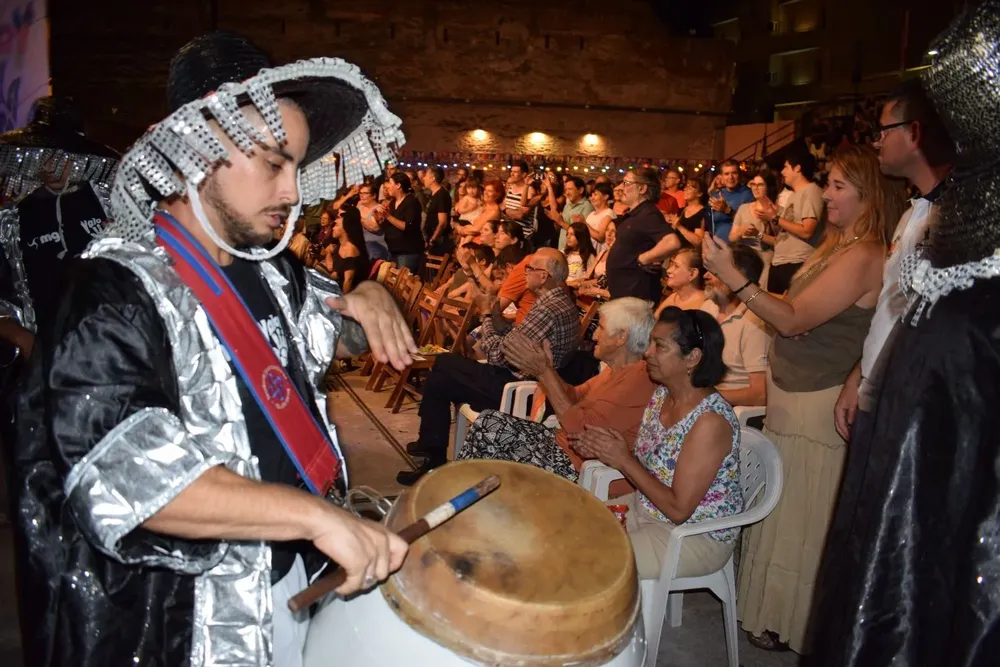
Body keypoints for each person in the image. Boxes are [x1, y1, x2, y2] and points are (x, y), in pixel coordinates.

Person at [11, 32, 416, 667]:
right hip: (184, 621)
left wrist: (370, 296)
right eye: (274, 163)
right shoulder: (113, 294)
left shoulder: (272, 270)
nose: (291, 193)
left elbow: (336, 330)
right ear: (193, 152)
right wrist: (315, 518)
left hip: (290, 578)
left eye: (297, 168)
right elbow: (126, 479)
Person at [811, 4, 1000, 664]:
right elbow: (903, 318)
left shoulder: (972, 261)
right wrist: (865, 374)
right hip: (890, 406)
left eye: (885, 128)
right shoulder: (937, 227)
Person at [703, 144, 905, 653]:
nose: (826, 195)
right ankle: (772, 614)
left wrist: (736, 280)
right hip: (794, 393)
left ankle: (795, 625)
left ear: (869, 193)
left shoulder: (863, 254)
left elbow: (791, 317)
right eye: (829, 182)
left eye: (838, 186)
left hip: (819, 401)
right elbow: (794, 312)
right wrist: (787, 319)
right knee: (782, 515)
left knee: (802, 523)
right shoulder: (838, 244)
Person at [570, 306, 741, 580]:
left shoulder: (709, 422)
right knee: (567, 528)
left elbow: (678, 510)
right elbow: (651, 467)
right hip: (647, 508)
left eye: (659, 346)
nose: (648, 353)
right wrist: (608, 451)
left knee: (588, 558)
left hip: (693, 536)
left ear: (692, 358)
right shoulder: (662, 396)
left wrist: (623, 460)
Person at [832, 78, 954, 441]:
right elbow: (895, 309)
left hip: (913, 405)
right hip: (879, 390)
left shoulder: (957, 221)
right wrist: (860, 373)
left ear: (915, 133)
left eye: (884, 130)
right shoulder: (913, 213)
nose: (877, 140)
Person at [399, 248, 579, 485]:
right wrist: (495, 314)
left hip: (517, 387)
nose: (524, 272)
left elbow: (497, 354)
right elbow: (517, 337)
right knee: (443, 372)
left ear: (543, 276)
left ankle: (432, 453)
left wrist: (485, 316)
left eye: (529, 268)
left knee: (443, 367)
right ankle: (430, 447)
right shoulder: (559, 302)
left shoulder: (547, 309)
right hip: (526, 380)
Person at [458, 297, 657, 480]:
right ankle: (466, 495)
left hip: (577, 465)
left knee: (490, 432)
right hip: (560, 445)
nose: (595, 335)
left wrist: (544, 372)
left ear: (621, 337)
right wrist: (547, 370)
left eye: (601, 328)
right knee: (488, 419)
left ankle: (464, 497)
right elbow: (573, 396)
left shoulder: (638, 379)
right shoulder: (615, 370)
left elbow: (581, 430)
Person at [0, 97, 118, 378]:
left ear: (80, 154)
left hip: (111, 355)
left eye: (62, 153)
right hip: (45, 368)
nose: (52, 163)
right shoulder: (14, 219)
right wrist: (23, 339)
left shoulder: (113, 204)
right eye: (44, 152)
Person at [701, 245, 769, 408]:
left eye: (714, 271)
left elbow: (760, 395)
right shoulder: (707, 308)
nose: (705, 276)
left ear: (738, 277)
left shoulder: (754, 322)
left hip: (731, 413)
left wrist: (705, 399)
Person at [607, 168, 679, 302]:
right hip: (625, 293)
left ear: (642, 189)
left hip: (635, 295)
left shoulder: (648, 213)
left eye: (626, 183)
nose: (621, 188)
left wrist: (643, 259)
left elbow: (672, 242)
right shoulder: (637, 214)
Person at [762, 149, 826, 294]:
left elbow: (807, 231)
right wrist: (774, 214)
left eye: (785, 167)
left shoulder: (811, 191)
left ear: (797, 168)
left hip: (797, 263)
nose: (782, 172)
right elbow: (783, 234)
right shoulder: (793, 196)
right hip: (779, 262)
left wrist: (776, 218)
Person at [377, 171, 424, 273]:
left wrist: (388, 216)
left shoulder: (411, 202)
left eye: (390, 183)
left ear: (398, 185)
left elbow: (407, 226)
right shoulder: (393, 203)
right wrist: (379, 218)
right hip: (392, 250)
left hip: (407, 252)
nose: (387, 187)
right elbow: (388, 226)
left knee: (402, 285)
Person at [325, 206, 371, 293]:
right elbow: (335, 273)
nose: (333, 228)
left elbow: (348, 282)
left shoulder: (351, 250)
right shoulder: (341, 245)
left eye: (337, 225)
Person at [706, 159, 754, 241]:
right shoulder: (717, 195)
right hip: (715, 245)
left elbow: (750, 224)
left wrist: (728, 210)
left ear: (739, 175)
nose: (730, 177)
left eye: (734, 173)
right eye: (726, 174)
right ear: (722, 176)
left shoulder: (748, 194)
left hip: (737, 246)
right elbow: (708, 225)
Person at [655, 247, 706, 315]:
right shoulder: (673, 298)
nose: (668, 270)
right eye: (672, 264)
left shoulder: (704, 305)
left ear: (692, 274)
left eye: (676, 266)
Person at [356, 181, 390, 261]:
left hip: (377, 250)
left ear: (374, 195)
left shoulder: (379, 209)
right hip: (362, 249)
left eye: (365, 193)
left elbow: (375, 227)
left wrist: (357, 217)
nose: (361, 196)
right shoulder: (359, 208)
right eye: (360, 193)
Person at [422, 166, 452, 255]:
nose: (424, 178)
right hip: (432, 238)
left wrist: (432, 240)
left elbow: (442, 222)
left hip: (438, 241)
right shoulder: (434, 194)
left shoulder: (441, 195)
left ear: (433, 178)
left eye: (426, 176)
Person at [585, 181, 616, 254]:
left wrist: (584, 223)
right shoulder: (591, 214)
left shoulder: (609, 213)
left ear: (606, 197)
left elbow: (600, 237)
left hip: (599, 252)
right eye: (592, 195)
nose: (592, 198)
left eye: (595, 195)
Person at [565, 221, 597, 287]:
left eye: (572, 234)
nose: (568, 237)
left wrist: (570, 284)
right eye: (567, 234)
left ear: (580, 237)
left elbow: (588, 279)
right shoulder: (564, 253)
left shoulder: (589, 257)